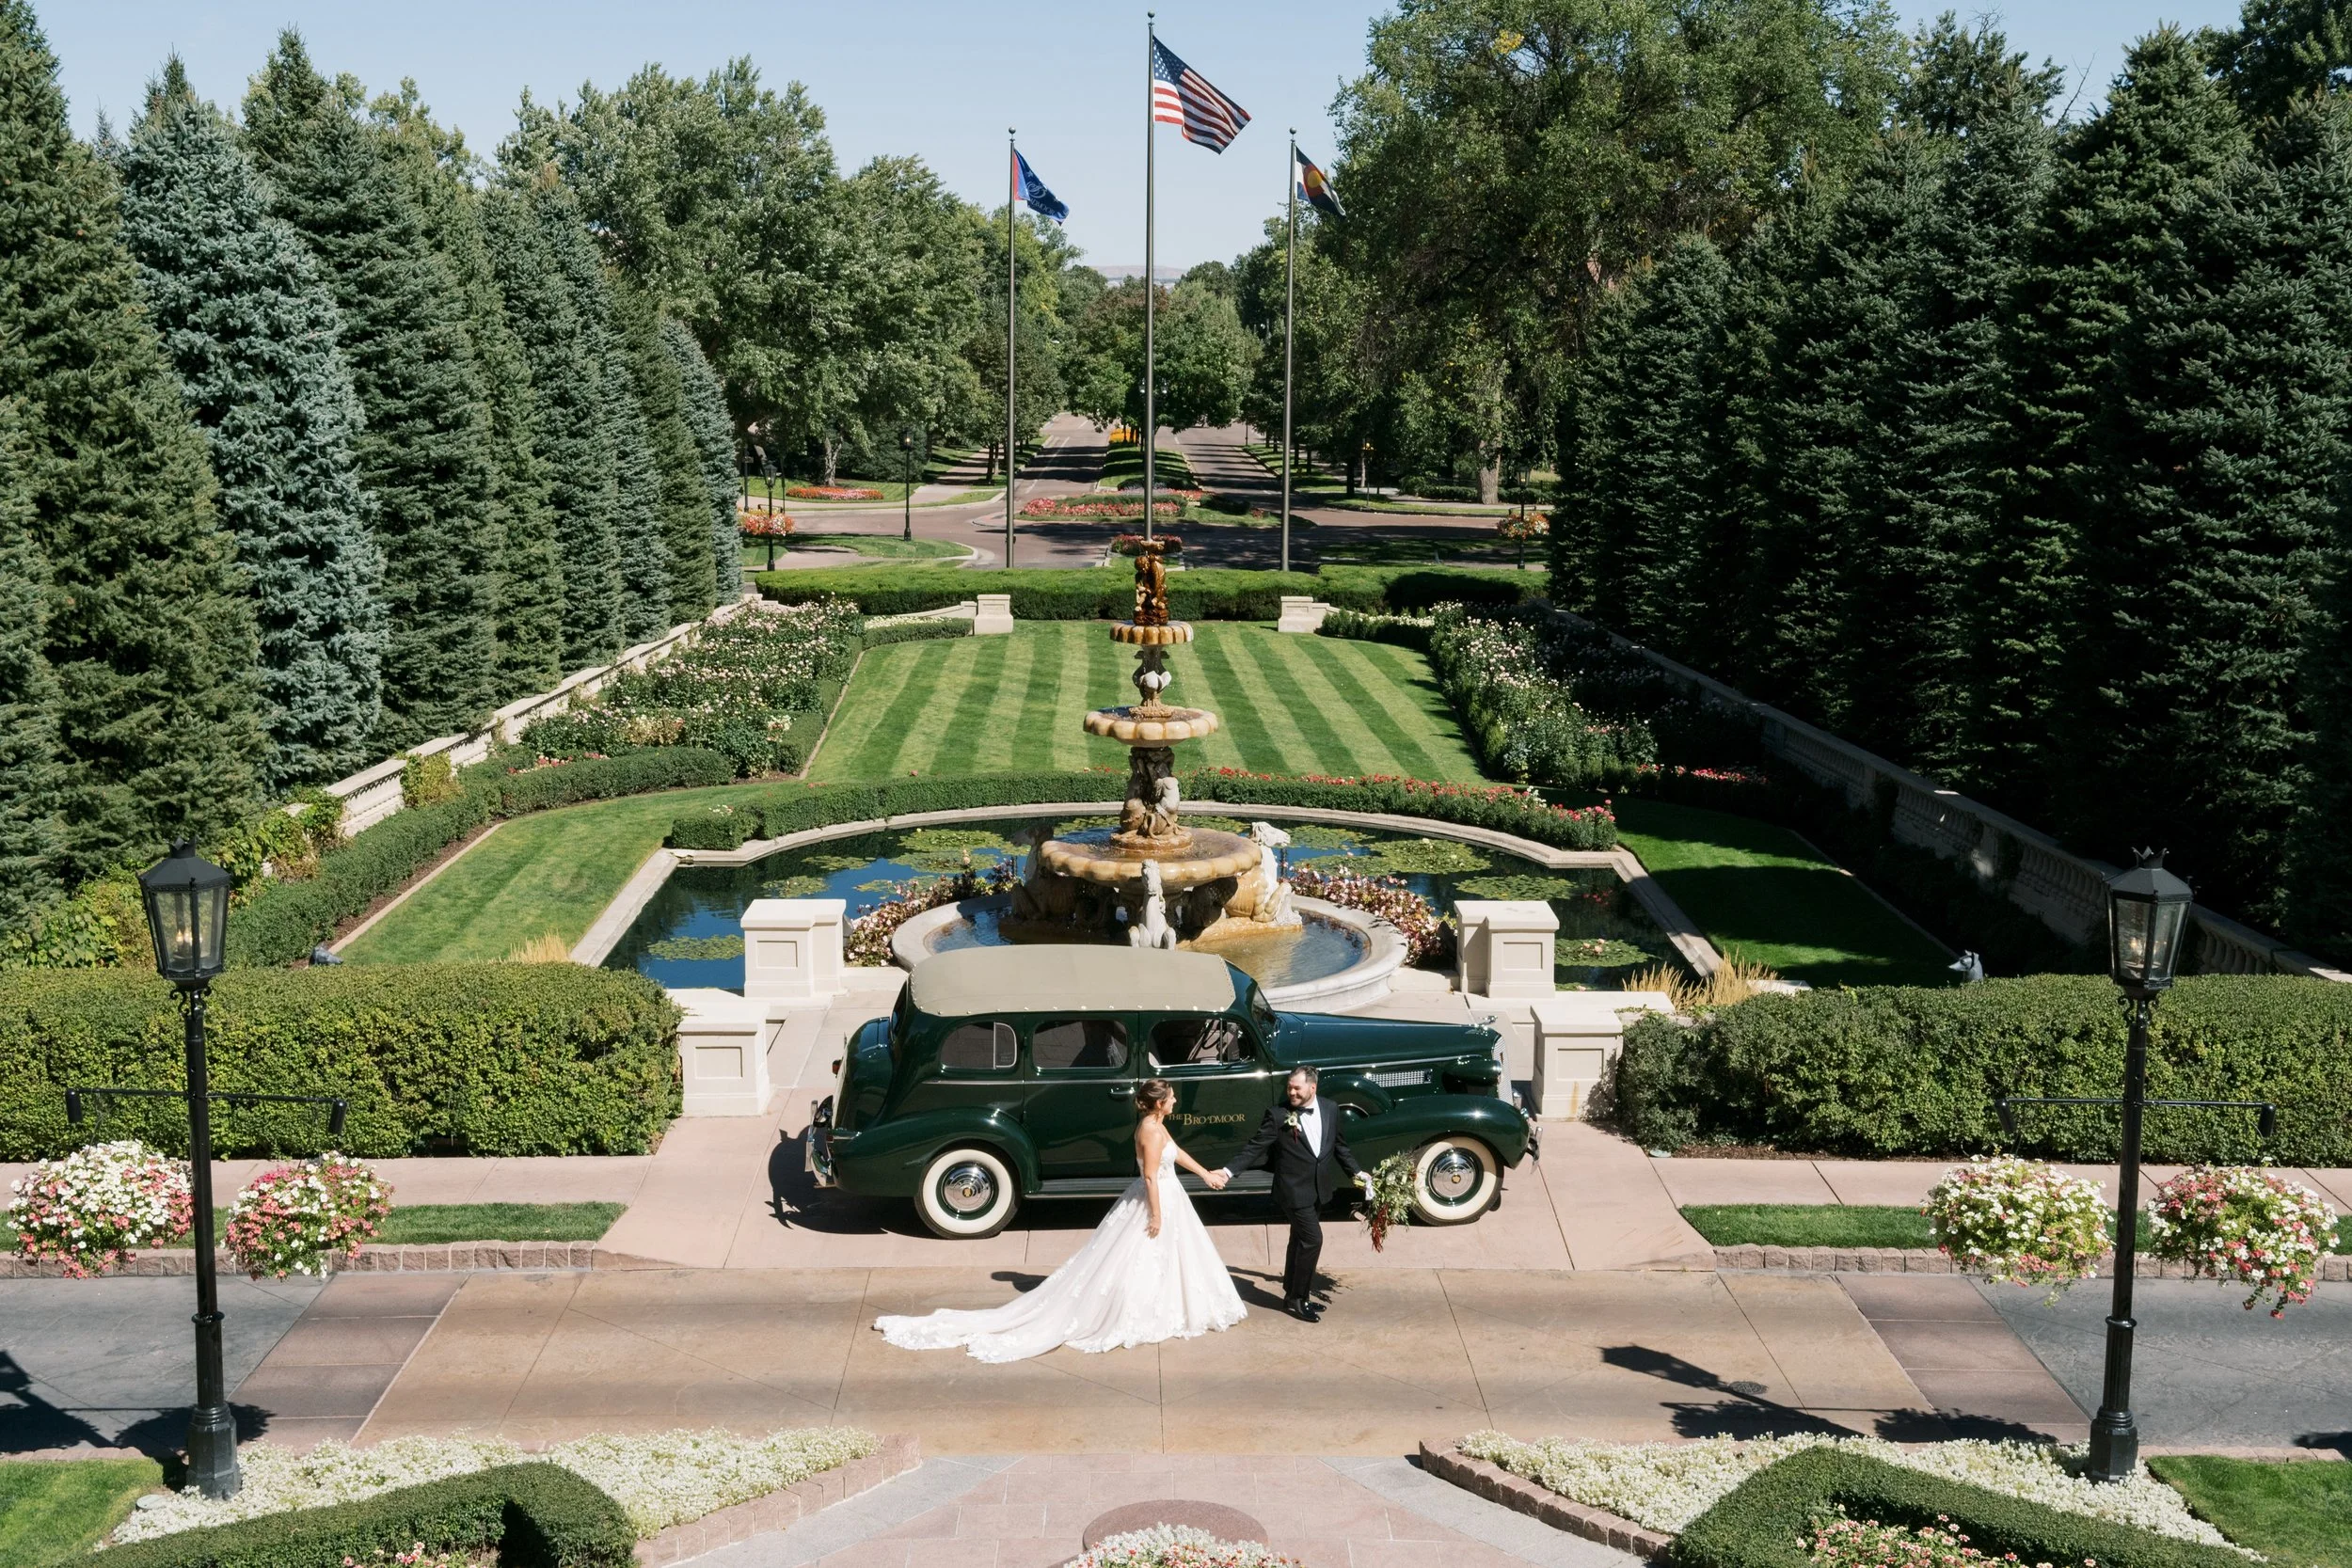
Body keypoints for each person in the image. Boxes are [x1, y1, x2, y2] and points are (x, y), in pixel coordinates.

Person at [873, 1079, 1245, 1363]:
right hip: (1157, 1198)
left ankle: (1164, 1303)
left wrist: (1205, 1173)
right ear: (1160, 1103)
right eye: (1172, 1097)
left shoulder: (1157, 1123)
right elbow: (1150, 1176)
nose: (1177, 1100)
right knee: (1139, 1255)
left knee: (1167, 1258)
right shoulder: (1149, 1129)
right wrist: (1157, 1214)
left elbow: (1175, 1154)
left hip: (1170, 1193)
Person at [1208, 1066, 1370, 1323]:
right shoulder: (1278, 1115)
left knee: (1299, 1240)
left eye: (1297, 1088)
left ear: (1312, 1088)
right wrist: (1228, 1172)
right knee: (1312, 1239)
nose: (1291, 1092)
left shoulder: (1329, 1108)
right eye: (1289, 1088)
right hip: (1292, 1190)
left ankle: (1291, 1294)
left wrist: (1357, 1172)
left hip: (1317, 1188)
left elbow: (1339, 1146)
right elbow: (1254, 1147)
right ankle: (1298, 1298)